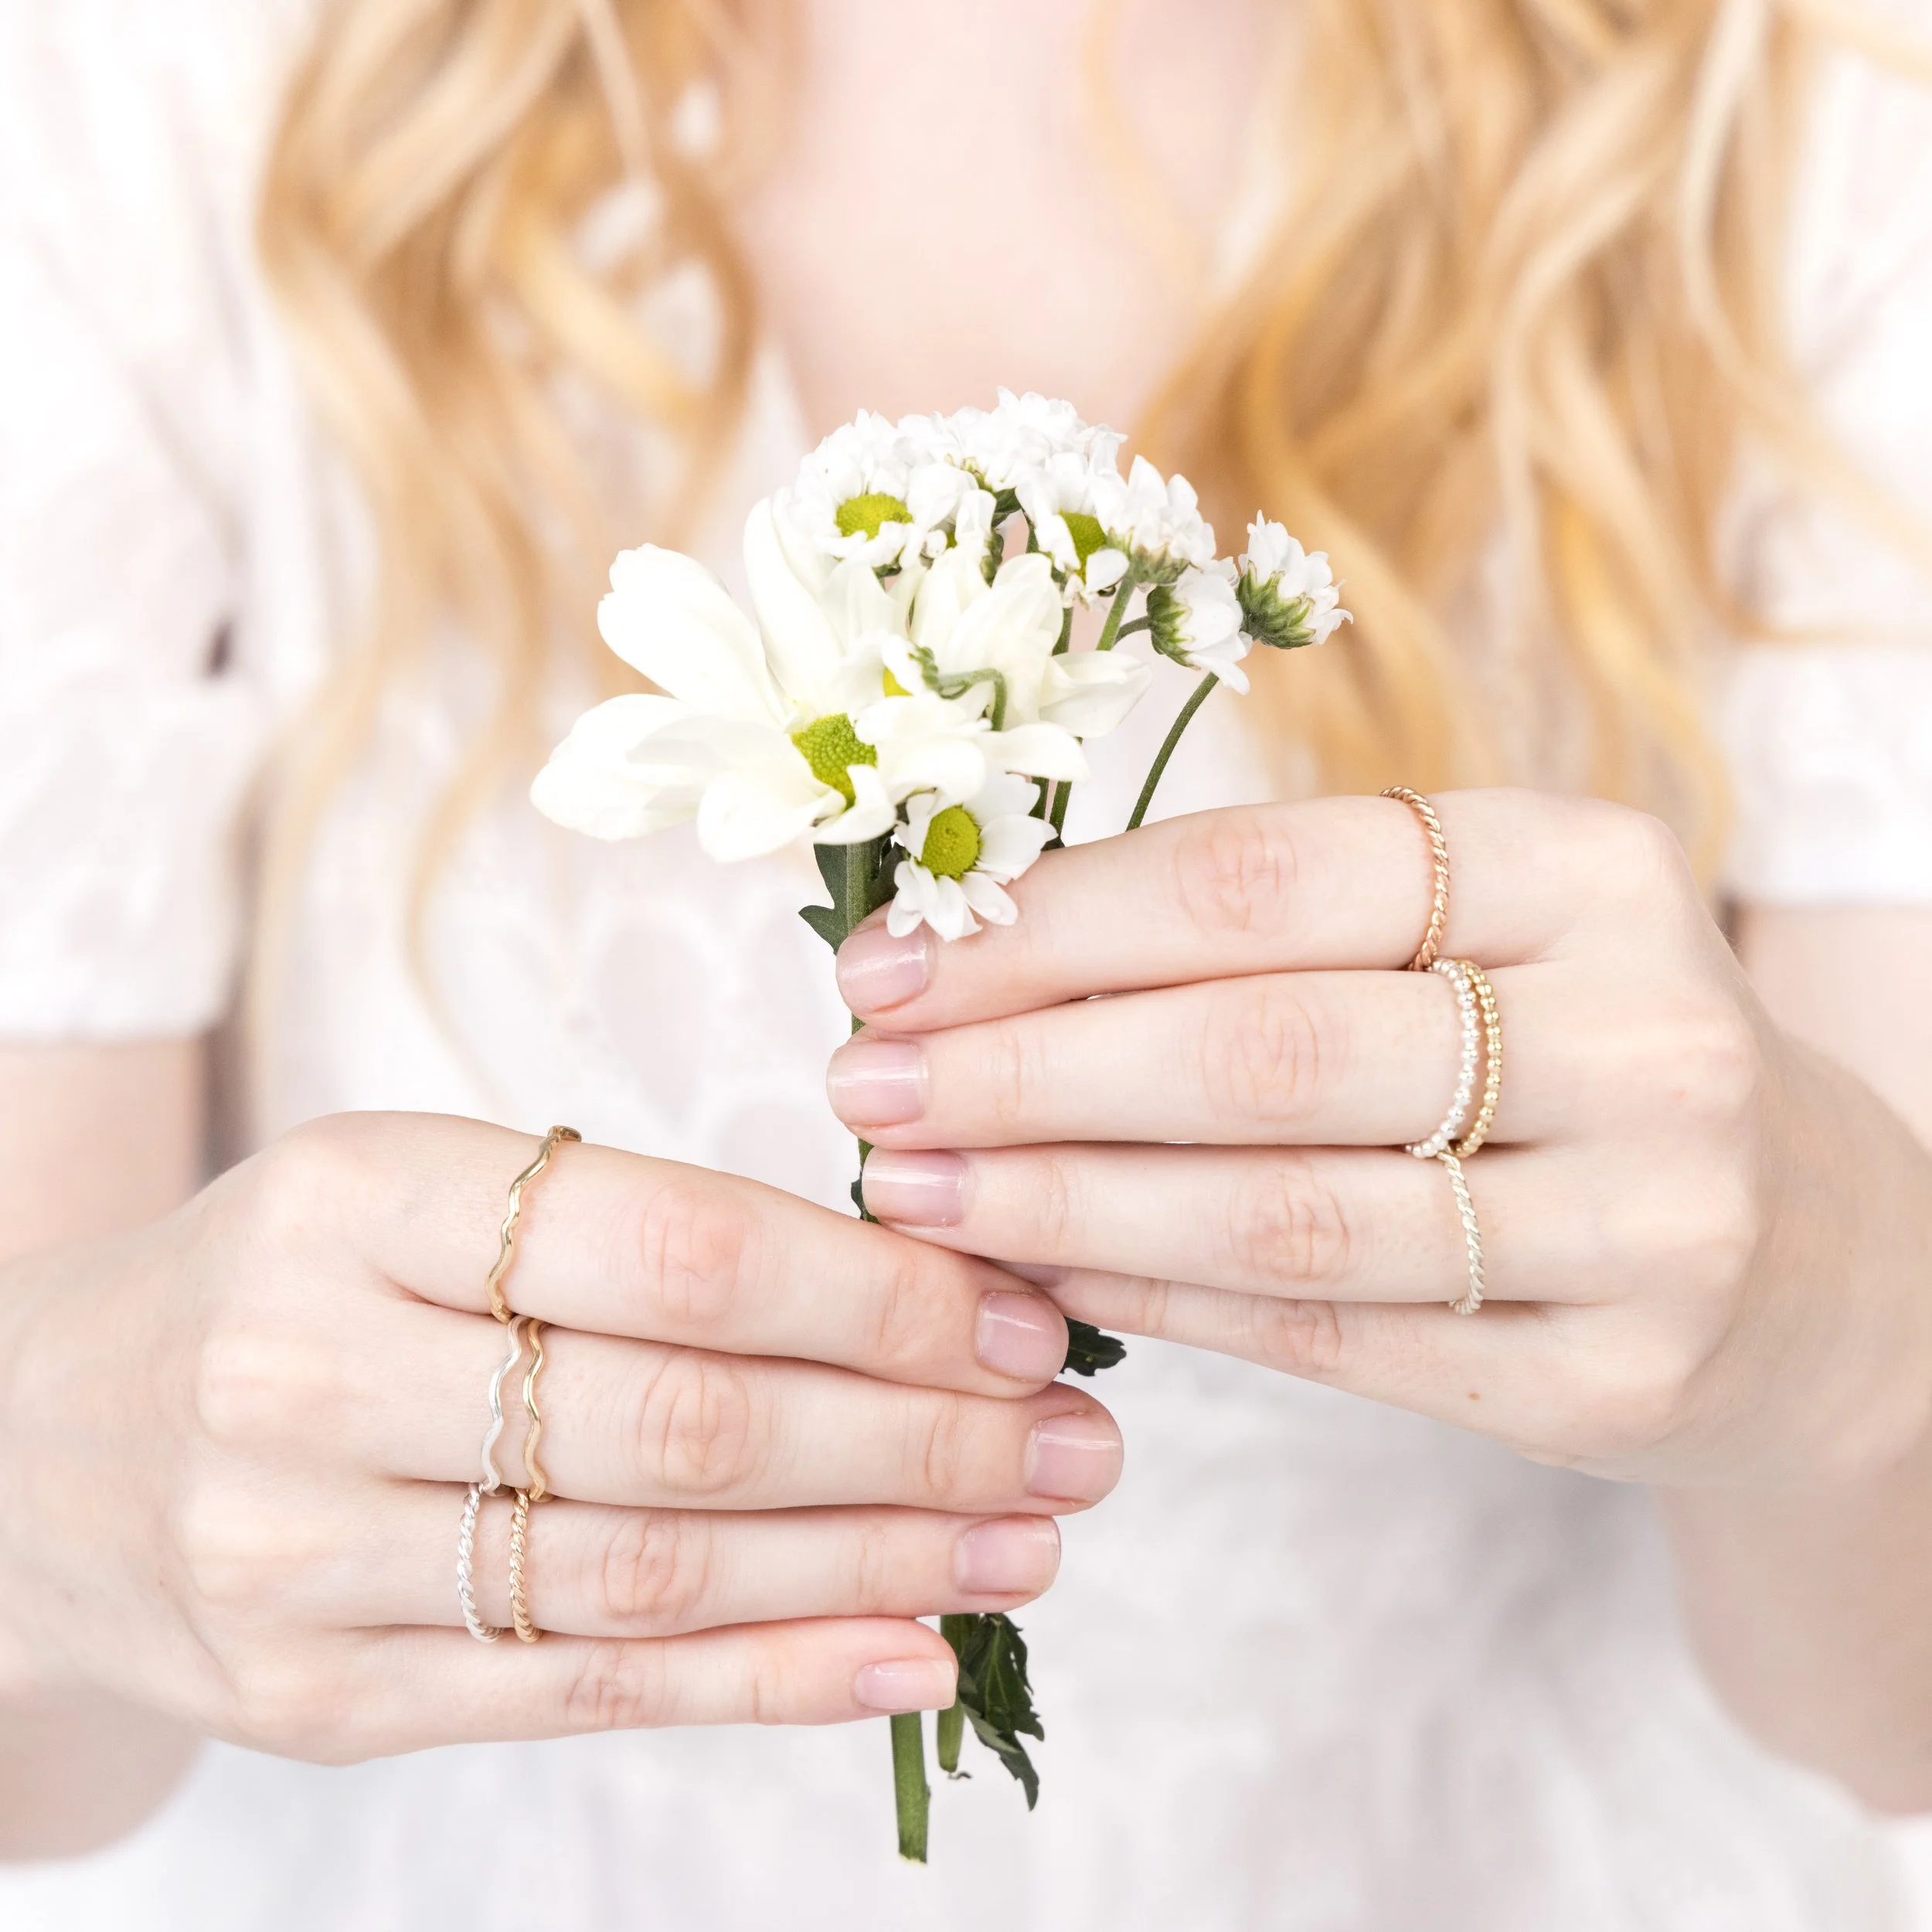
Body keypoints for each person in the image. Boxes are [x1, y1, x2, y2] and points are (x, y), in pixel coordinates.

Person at [4, 0, 1932, 1926]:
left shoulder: (1810, 122)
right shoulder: (150, 108)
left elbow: (1883, 1719)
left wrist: (1842, 1316)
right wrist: (64, 1493)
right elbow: (55, 1786)